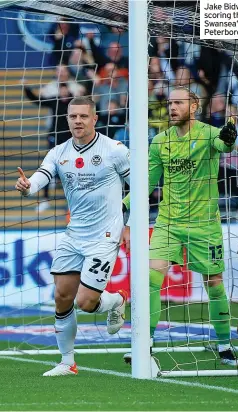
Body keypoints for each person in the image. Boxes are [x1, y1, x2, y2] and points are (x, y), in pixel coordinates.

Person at [122, 85, 238, 366]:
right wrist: (124, 205)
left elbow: (224, 145)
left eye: (178, 103)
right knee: (150, 279)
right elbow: (148, 181)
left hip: (204, 224)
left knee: (213, 284)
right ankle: (144, 344)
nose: (172, 108)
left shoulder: (209, 133)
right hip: (168, 222)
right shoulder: (160, 140)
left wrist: (230, 137)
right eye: (170, 103)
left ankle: (224, 346)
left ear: (194, 105)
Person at [15, 96, 130, 376]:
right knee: (62, 296)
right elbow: (43, 175)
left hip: (104, 235)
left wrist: (129, 222)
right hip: (74, 234)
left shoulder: (115, 150)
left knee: (86, 303)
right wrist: (29, 187)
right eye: (72, 117)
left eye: (82, 116)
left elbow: (140, 185)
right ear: (67, 119)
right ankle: (68, 362)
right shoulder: (59, 152)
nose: (77, 121)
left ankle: (116, 300)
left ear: (94, 119)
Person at [24, 82, 73, 212]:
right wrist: (26, 88)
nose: (63, 92)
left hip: (70, 141)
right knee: (49, 167)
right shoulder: (54, 101)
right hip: (54, 139)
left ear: (68, 90)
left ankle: (72, 202)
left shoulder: (74, 103)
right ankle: (45, 200)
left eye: (65, 90)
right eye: (61, 90)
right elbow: (37, 100)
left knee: (70, 170)